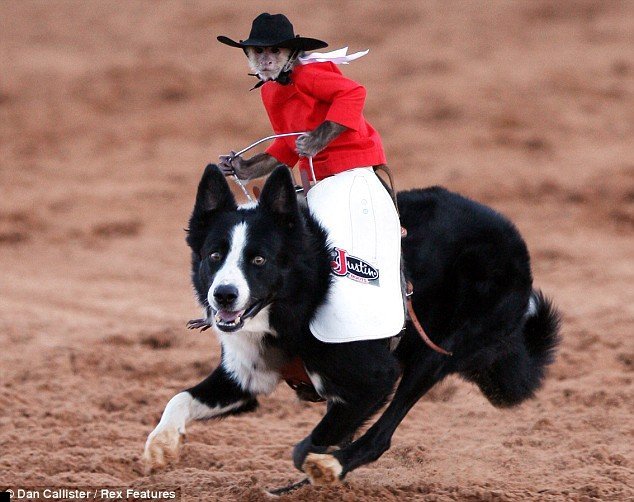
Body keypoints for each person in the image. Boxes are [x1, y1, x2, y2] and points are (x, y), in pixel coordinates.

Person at [217, 13, 404, 343]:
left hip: (351, 170)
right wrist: (247, 168)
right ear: (247, 55)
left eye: (275, 51)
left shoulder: (310, 74)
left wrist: (321, 136)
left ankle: (393, 297)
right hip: (316, 179)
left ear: (291, 53)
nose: (266, 59)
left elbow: (354, 93)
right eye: (258, 52)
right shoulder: (270, 91)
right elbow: (287, 144)